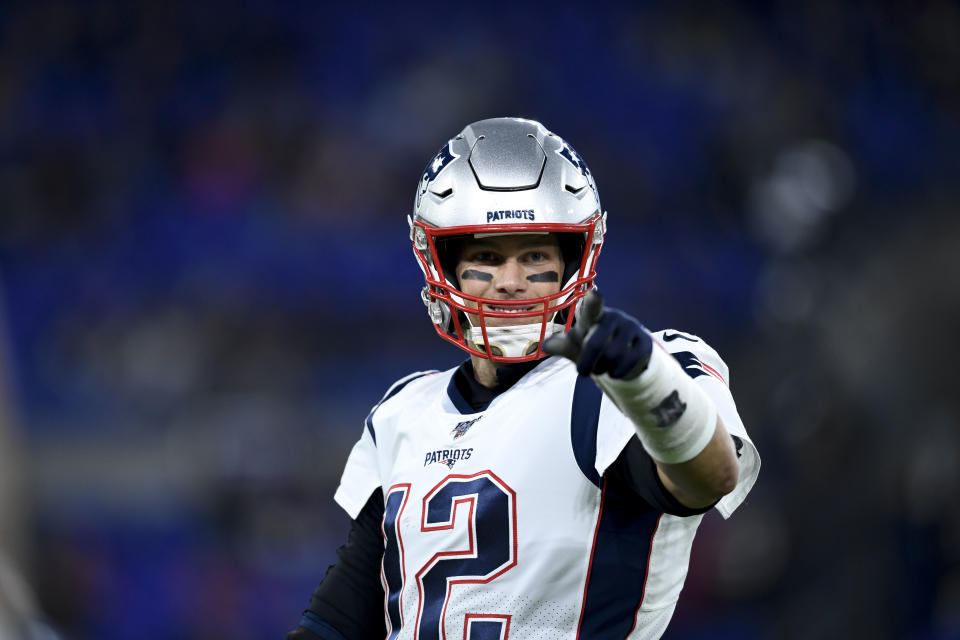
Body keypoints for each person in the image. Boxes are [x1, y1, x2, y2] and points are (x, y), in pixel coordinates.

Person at [287, 117, 760, 640]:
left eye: (534, 255)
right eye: (486, 258)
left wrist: (647, 382)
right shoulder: (402, 412)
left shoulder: (625, 380)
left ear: (573, 262)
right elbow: (338, 619)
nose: (511, 283)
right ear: (441, 264)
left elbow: (709, 477)